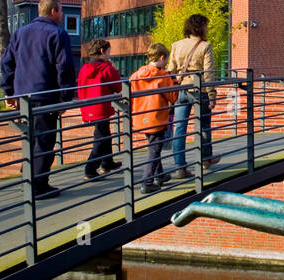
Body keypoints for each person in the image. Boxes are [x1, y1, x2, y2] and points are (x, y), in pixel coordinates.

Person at [0, 0, 77, 200]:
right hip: (45, 96)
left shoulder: (20, 33)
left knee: (30, 137)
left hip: (23, 96)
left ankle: (29, 177)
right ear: (53, 12)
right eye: (61, 11)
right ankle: (38, 186)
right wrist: (65, 97)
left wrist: (9, 91)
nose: (61, 15)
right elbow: (65, 67)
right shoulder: (58, 34)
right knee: (44, 140)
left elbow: (7, 63)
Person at [168, 14, 216, 178]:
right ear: (200, 27)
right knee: (203, 125)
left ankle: (180, 166)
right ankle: (205, 159)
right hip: (199, 91)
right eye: (206, 26)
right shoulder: (205, 46)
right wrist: (212, 95)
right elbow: (209, 73)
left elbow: (172, 70)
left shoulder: (176, 45)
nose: (207, 29)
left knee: (179, 129)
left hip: (182, 90)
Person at [130, 43, 178, 194]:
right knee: (154, 149)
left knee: (153, 146)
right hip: (156, 117)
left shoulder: (136, 75)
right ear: (162, 58)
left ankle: (161, 175)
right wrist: (175, 82)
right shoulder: (163, 76)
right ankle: (147, 182)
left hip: (141, 116)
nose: (166, 64)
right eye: (166, 60)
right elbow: (173, 97)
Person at [77, 38, 123, 179]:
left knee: (104, 133)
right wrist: (114, 69)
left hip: (88, 106)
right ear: (103, 51)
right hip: (102, 107)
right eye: (109, 51)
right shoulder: (107, 68)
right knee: (101, 137)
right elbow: (118, 86)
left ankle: (107, 162)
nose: (110, 54)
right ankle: (90, 168)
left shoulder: (84, 68)